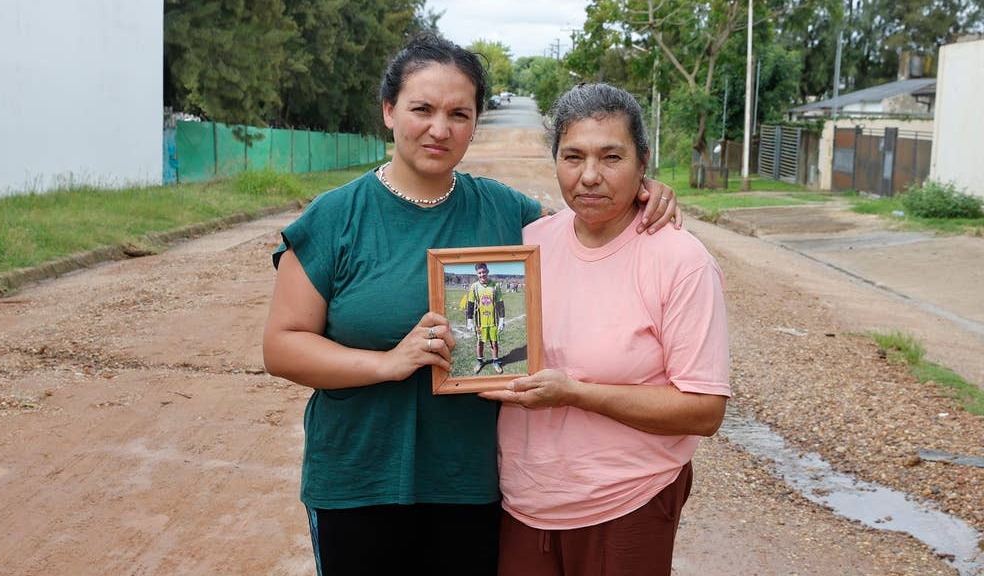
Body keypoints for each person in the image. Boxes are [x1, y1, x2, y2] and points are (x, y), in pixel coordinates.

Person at [262, 34, 680, 576]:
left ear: (475, 123)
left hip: (471, 486)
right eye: (422, 109)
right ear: (389, 111)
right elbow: (282, 346)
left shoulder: (508, 213)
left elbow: (588, 216)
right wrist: (388, 363)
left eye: (459, 113)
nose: (440, 129)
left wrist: (644, 190)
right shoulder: (335, 217)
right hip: (357, 482)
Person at [479, 83, 731, 576]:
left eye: (611, 156)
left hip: (628, 502)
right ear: (554, 160)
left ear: (643, 162)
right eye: (573, 156)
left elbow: (703, 410)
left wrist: (574, 393)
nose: (589, 176)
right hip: (524, 502)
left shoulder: (679, 260)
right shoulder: (527, 246)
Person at [466, 262, 505, 374]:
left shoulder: (495, 285)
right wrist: (469, 320)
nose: (482, 274)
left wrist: (502, 319)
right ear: (477, 274)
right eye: (479, 273)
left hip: (493, 321)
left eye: (484, 272)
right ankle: (480, 362)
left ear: (487, 271)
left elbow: (500, 303)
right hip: (480, 322)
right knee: (480, 342)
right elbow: (470, 304)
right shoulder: (474, 287)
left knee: (494, 342)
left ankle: (496, 362)